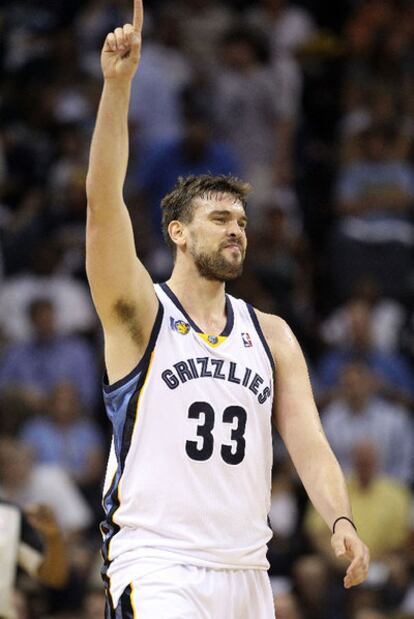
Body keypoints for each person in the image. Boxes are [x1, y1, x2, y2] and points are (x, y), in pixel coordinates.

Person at [85, 2, 369, 617]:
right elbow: (103, 206)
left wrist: (340, 516)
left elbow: (310, 442)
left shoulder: (271, 334)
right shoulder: (140, 314)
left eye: (240, 221)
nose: (236, 230)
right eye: (219, 219)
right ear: (178, 233)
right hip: (158, 565)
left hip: (246, 572)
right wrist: (117, 89)